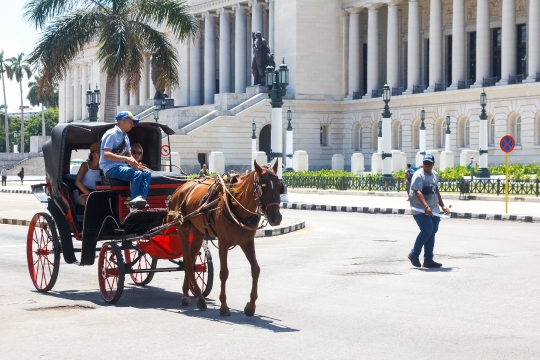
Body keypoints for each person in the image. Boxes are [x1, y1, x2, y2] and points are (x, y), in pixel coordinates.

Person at [99, 111, 151, 209]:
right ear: (123, 120)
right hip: (111, 168)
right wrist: (126, 159)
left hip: (123, 167)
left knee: (147, 172)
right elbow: (106, 154)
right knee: (137, 174)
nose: (133, 125)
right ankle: (133, 204)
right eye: (131, 122)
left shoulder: (125, 137)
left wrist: (136, 164)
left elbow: (129, 155)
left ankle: (141, 200)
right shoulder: (111, 134)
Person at [407, 154, 451, 269]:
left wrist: (443, 206)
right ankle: (414, 253)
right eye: (425, 163)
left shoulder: (435, 175)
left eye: (429, 163)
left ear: (433, 164)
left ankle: (428, 260)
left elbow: (436, 190)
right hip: (420, 209)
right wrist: (426, 207)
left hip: (434, 209)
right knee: (427, 230)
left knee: (432, 231)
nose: (427, 165)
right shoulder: (418, 175)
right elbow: (417, 192)